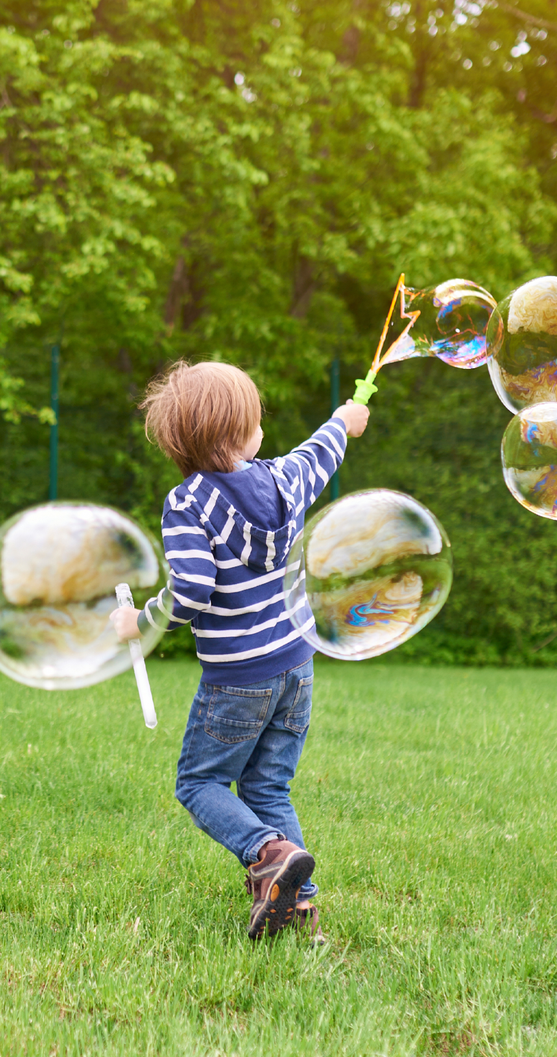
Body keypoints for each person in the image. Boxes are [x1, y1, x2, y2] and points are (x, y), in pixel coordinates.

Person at [111, 361, 368, 943]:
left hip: (238, 678)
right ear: (244, 433)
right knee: (269, 786)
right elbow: (319, 453)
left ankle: (266, 853)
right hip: (296, 667)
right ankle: (298, 910)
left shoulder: (187, 504)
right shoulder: (283, 479)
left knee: (198, 785)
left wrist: (140, 623)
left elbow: (192, 590)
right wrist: (343, 421)